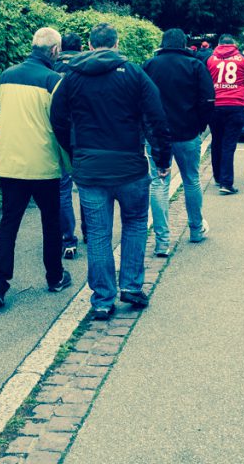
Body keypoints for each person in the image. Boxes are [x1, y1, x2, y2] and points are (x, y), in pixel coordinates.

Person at [51, 23, 172, 320]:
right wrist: (162, 158)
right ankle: (131, 286)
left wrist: (74, 150)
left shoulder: (72, 76)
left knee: (98, 233)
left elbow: (57, 118)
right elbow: (157, 117)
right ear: (116, 44)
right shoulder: (133, 73)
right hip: (130, 165)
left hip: (90, 168)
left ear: (90, 45)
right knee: (135, 224)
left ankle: (103, 299)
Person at [0, 27, 72, 310]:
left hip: (10, 164)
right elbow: (61, 122)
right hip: (44, 164)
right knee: (51, 222)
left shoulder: (7, 75)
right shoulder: (53, 80)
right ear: (54, 51)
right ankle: (55, 277)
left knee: (9, 224)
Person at [142, 27, 214, 256]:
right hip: (187, 132)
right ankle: (196, 229)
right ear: (184, 44)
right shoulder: (195, 65)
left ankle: (162, 241)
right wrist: (200, 124)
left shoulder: (150, 65)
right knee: (191, 180)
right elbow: (208, 99)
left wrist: (146, 128)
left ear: (162, 44)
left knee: (158, 184)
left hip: (156, 136)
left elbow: (140, 100)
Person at [206, 34, 244, 195]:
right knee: (229, 144)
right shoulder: (242, 59)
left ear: (219, 44)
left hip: (215, 106)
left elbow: (204, 82)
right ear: (234, 44)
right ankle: (226, 182)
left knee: (216, 141)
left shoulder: (210, 59)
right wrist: (243, 92)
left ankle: (217, 176)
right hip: (235, 105)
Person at [53, 32, 83, 257]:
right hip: (83, 136)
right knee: (87, 187)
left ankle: (67, 238)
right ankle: (91, 232)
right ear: (81, 47)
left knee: (63, 190)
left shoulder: (51, 68)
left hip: (59, 135)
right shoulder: (85, 67)